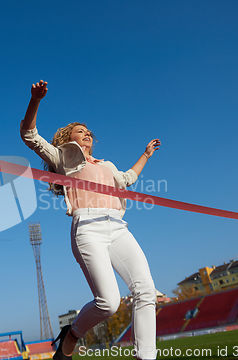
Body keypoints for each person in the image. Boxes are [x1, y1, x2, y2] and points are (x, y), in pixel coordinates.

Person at [20, 80, 160, 360]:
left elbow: (127, 179)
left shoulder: (106, 165)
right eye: (80, 132)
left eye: (88, 132)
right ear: (68, 139)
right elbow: (29, 135)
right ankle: (71, 335)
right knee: (109, 304)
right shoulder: (64, 158)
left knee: (146, 291)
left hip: (119, 228)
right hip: (88, 229)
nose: (87, 135)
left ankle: (145, 357)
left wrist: (145, 155)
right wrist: (35, 100)